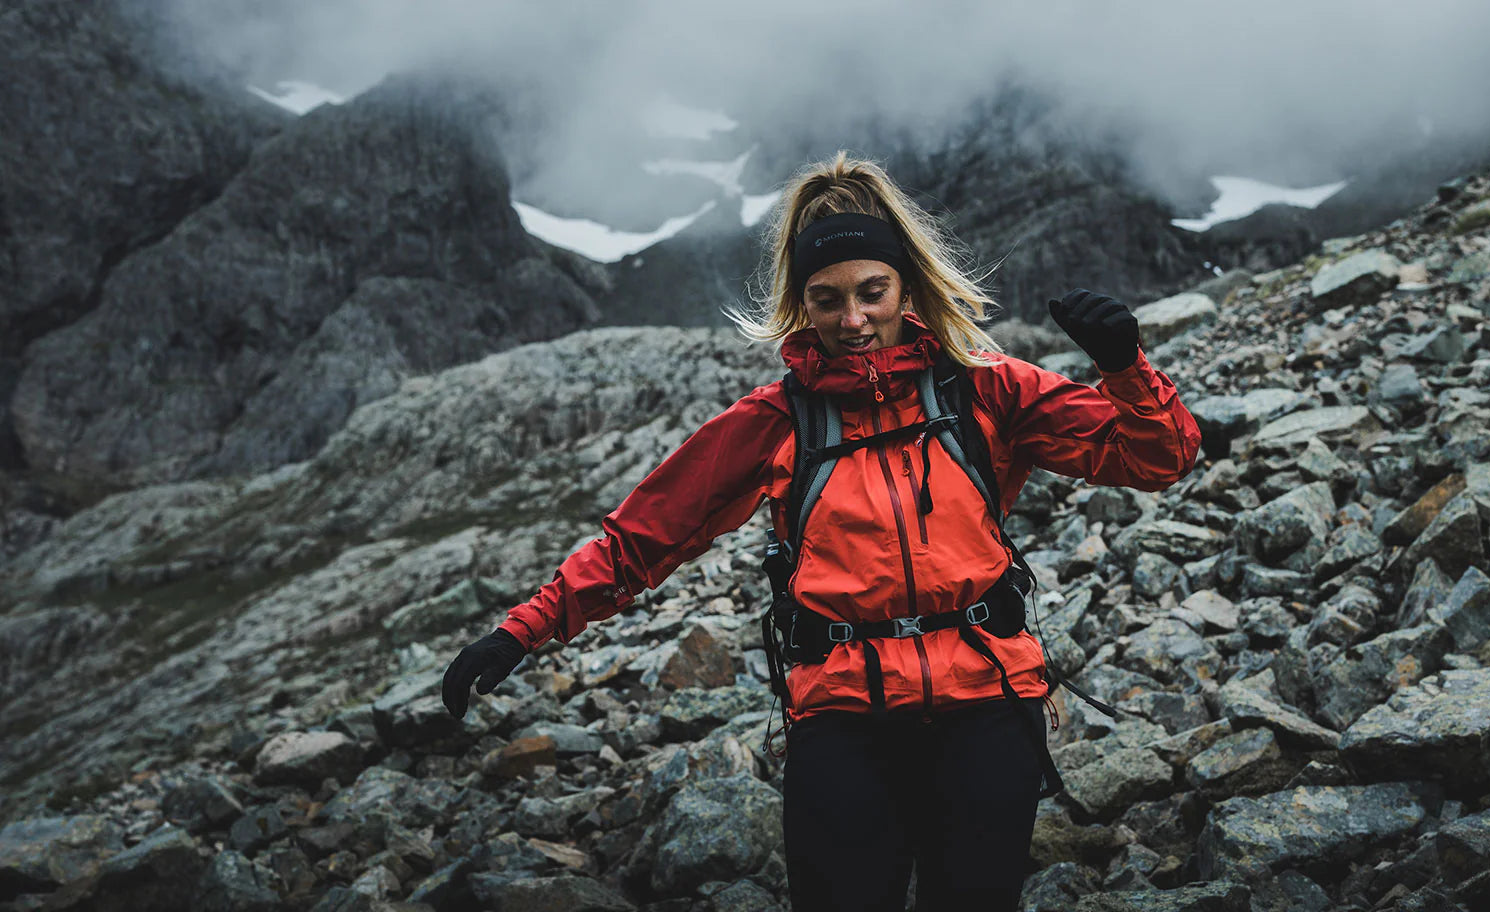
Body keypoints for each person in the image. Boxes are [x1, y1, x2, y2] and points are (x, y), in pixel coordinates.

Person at [442, 151, 1201, 911]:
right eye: (826, 299)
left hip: (987, 705)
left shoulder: (988, 388)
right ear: (800, 303)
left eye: (872, 292)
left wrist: (1124, 368)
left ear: (907, 286)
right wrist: (523, 630)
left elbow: (1158, 456)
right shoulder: (775, 421)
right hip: (844, 717)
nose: (852, 320)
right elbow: (644, 537)